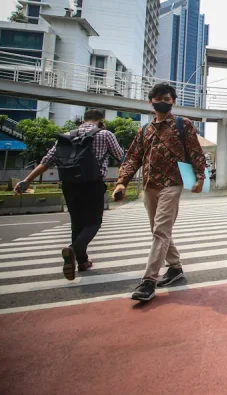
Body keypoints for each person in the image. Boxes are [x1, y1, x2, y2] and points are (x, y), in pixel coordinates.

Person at [114, 83, 207, 302]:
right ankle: (174, 268)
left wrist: (201, 176)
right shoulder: (144, 130)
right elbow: (133, 157)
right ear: (151, 102)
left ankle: (148, 281)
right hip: (149, 185)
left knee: (161, 230)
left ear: (173, 101)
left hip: (173, 182)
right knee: (158, 231)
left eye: (166, 98)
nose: (162, 102)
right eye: (158, 99)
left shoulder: (182, 124)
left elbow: (195, 150)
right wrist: (122, 182)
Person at [15, 109, 124, 280]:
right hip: (92, 184)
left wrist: (27, 180)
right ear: (101, 122)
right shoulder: (105, 134)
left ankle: (82, 261)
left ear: (82, 121)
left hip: (69, 185)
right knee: (93, 223)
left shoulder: (66, 136)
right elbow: (120, 155)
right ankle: (73, 250)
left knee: (77, 223)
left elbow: (47, 161)